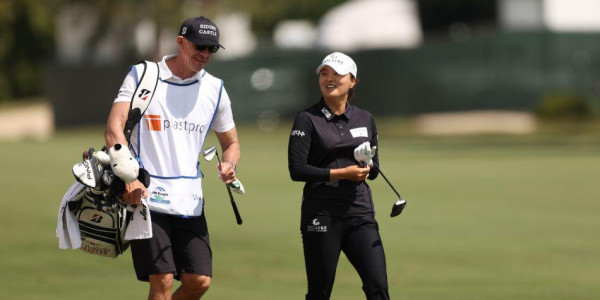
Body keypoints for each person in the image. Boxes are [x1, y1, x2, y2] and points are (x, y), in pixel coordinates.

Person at [104, 16, 240, 299]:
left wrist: (230, 164)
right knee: (163, 281)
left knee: (199, 281)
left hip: (190, 201)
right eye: (199, 46)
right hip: (145, 196)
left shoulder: (215, 90)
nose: (204, 54)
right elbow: (114, 128)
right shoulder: (143, 74)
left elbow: (231, 142)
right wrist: (129, 178)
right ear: (180, 42)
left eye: (211, 49)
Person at [288, 52, 390, 300]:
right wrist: (342, 173)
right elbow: (297, 169)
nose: (329, 78)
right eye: (324, 73)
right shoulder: (307, 118)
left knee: (378, 287)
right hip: (321, 214)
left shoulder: (365, 118)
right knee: (320, 292)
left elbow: (374, 170)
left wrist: (367, 166)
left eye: (336, 73)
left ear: (352, 81)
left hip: (360, 213)